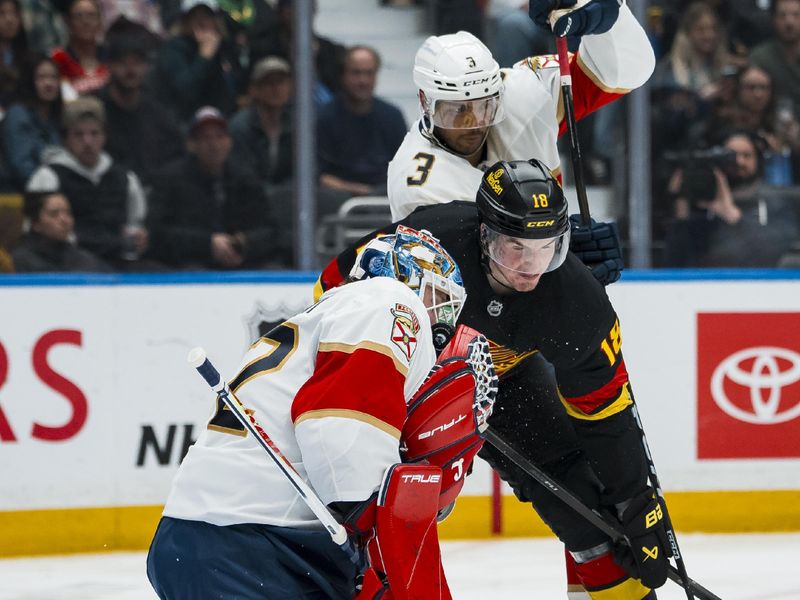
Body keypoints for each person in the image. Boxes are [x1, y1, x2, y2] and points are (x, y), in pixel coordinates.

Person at [318, 160, 674, 600]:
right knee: (373, 506)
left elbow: (605, 411)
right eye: (515, 249)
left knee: (587, 505)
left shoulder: (577, 303)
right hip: (403, 382)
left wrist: (636, 501)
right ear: (484, 235)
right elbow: (333, 289)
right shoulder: (432, 239)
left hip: (504, 383)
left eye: (547, 249)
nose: (531, 266)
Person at [147, 225, 486, 599]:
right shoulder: (388, 300)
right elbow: (338, 422)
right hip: (251, 544)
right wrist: (374, 516)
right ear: (407, 275)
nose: (445, 318)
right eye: (440, 297)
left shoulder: (333, 312)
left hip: (227, 539)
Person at [387, 0, 655, 222]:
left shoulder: (524, 92)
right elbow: (489, 267)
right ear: (425, 102)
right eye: (456, 111)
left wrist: (605, 15)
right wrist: (569, 251)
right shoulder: (418, 184)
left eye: (484, 107)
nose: (473, 123)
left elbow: (629, 73)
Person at [147, 106, 286, 269]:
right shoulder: (170, 179)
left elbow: (271, 230)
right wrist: (207, 244)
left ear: (229, 142)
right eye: (205, 138)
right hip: (191, 264)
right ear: (191, 144)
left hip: (244, 262)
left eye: (219, 136)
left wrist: (243, 242)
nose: (213, 145)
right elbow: (156, 234)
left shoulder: (245, 178)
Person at [25, 95, 150, 268]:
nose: (87, 142)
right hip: (66, 266)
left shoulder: (125, 178)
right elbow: (33, 233)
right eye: (78, 134)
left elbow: (135, 225)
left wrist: (139, 238)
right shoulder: (47, 177)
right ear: (65, 138)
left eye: (94, 133)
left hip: (121, 264)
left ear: (104, 136)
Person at [664, 130, 798, 267]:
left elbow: (777, 254)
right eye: (730, 156)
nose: (739, 161)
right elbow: (676, 262)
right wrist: (681, 208)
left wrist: (731, 215)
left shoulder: (776, 199)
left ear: (758, 160)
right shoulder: (702, 202)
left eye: (746, 155)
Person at [317, 45, 406, 209]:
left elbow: (405, 170)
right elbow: (320, 176)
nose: (363, 81)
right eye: (356, 73)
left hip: (385, 197)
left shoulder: (392, 116)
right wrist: (360, 191)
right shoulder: (324, 117)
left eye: (369, 73)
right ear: (343, 75)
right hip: (338, 199)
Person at [99, 27, 183, 188]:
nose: (130, 70)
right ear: (109, 66)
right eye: (123, 63)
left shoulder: (157, 111)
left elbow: (175, 154)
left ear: (146, 67)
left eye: (137, 63)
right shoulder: (97, 111)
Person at [151, 0, 243, 124]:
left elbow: (231, 92)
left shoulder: (223, 48)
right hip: (182, 121)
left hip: (219, 120)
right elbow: (184, 92)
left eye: (207, 16)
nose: (201, 21)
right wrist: (204, 57)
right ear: (185, 21)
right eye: (194, 16)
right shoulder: (173, 49)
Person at [228, 55, 294, 195]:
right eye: (268, 83)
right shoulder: (239, 127)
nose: (276, 88)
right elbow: (243, 176)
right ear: (254, 89)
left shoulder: (297, 126)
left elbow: (303, 171)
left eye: (281, 82)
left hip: (288, 202)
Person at [2, 54, 62, 188]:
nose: (49, 84)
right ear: (29, 81)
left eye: (53, 77)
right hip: (25, 192)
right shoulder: (18, 115)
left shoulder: (55, 117)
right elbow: (22, 167)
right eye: (41, 78)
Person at [10, 190, 109, 271]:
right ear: (36, 224)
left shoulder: (85, 260)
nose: (65, 221)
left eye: (68, 213)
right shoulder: (18, 261)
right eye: (54, 214)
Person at [50, 0, 108, 99]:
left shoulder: (112, 56)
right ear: (68, 22)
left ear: (100, 21)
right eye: (78, 16)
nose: (85, 22)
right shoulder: (57, 59)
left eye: (91, 16)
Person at [750, 0, 800, 113]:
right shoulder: (760, 58)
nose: (789, 22)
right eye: (782, 15)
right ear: (773, 19)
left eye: (796, 15)